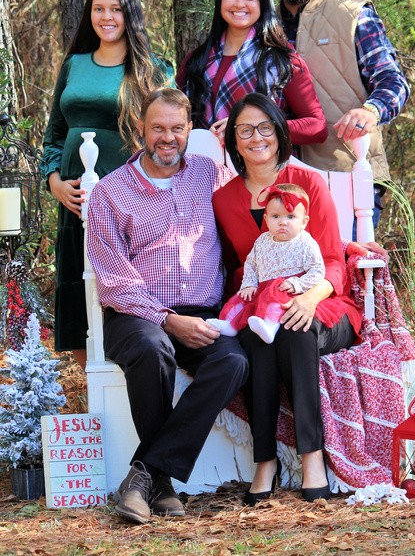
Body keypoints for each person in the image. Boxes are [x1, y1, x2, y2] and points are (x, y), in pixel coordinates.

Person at [86, 88, 249, 524]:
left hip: (203, 312)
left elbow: (254, 210)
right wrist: (168, 320)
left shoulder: (210, 175)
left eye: (177, 128)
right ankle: (161, 482)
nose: (167, 138)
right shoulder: (111, 192)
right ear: (141, 128)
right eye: (157, 127)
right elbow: (115, 281)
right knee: (152, 347)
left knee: (233, 362)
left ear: (189, 129)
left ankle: (147, 475)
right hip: (136, 314)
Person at [212, 93, 365, 504]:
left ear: (280, 133)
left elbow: (332, 259)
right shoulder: (224, 199)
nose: (256, 137)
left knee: (296, 330)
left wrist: (310, 298)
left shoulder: (309, 184)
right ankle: (266, 461)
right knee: (255, 339)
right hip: (263, 305)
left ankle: (312, 457)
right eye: (245, 130)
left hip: (323, 300)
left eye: (265, 127)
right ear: (233, 140)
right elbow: (236, 267)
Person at [40, 0, 173, 367]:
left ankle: (137, 374)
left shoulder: (153, 68)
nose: (106, 17)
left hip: (128, 199)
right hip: (74, 199)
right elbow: (54, 135)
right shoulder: (74, 65)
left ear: (130, 14)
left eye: (116, 9)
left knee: (121, 283)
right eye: (98, 8)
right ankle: (92, 386)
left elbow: (170, 136)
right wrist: (55, 183)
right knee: (77, 287)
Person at [273, 0, 410, 226]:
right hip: (278, 185)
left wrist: (370, 111)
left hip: (347, 175)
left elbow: (393, 82)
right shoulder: (263, 24)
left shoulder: (354, 15)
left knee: (350, 257)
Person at [176, 0, 327, 148]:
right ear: (220, 0)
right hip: (204, 164)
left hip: (266, 165)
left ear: (263, 2)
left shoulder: (283, 61)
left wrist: (254, 128)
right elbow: (176, 121)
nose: (239, 4)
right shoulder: (196, 60)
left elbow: (317, 127)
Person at [207, 183, 326, 344]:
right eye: (275, 216)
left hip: (287, 289)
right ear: (266, 219)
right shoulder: (263, 240)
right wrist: (249, 283)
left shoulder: (306, 242)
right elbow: (251, 264)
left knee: (275, 301)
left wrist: (297, 284)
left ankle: (270, 326)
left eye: (290, 217)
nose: (282, 222)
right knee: (240, 299)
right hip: (261, 288)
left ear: (304, 222)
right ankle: (230, 324)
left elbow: (317, 271)